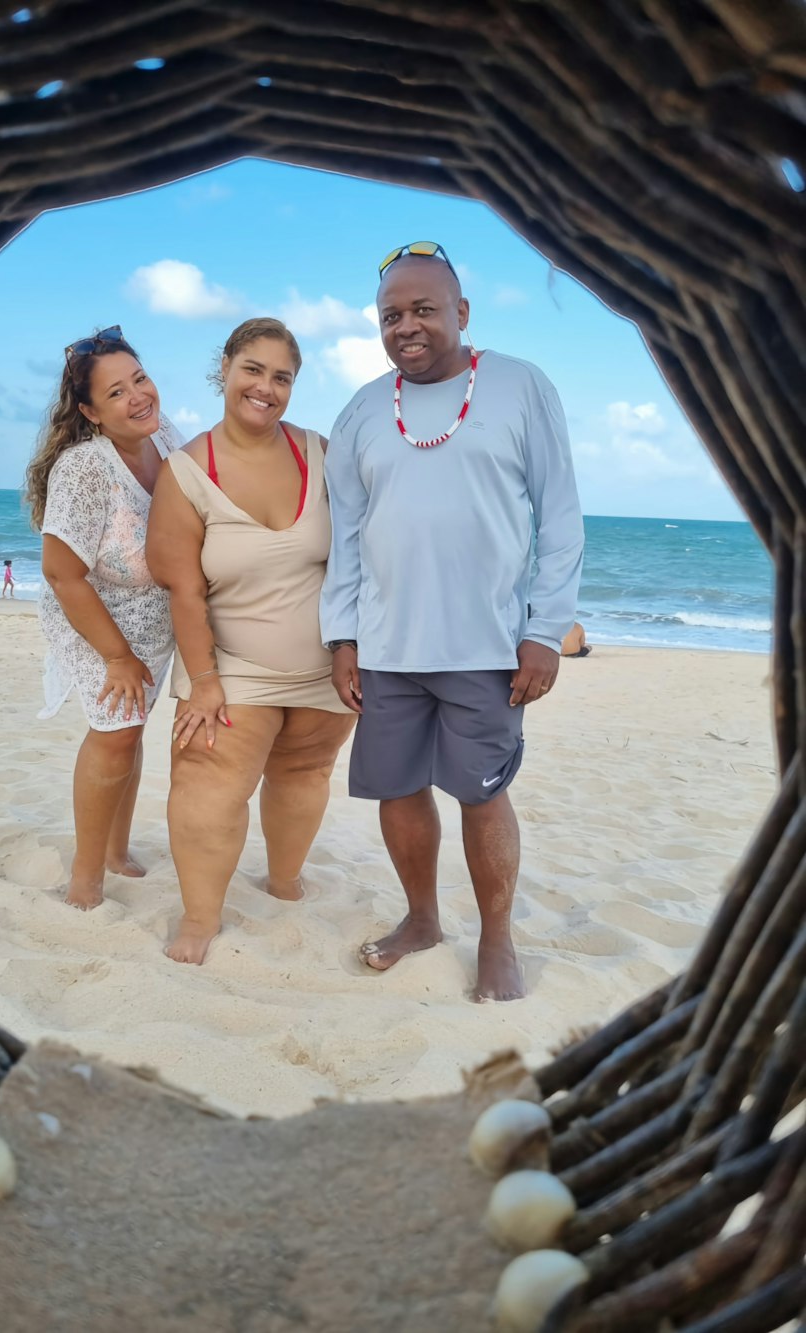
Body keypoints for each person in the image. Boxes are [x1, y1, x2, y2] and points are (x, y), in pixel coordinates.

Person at [320, 241, 584, 1002]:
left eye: (424, 310)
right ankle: (423, 919)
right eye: (391, 315)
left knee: (481, 792)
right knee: (399, 790)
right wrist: (343, 637)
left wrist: (545, 628)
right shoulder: (364, 408)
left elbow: (560, 515)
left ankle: (497, 940)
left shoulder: (521, 386)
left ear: (461, 312)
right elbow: (345, 535)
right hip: (386, 644)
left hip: (487, 644)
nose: (407, 326)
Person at [146, 318, 356, 966]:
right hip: (230, 669)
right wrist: (203, 680)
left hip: (325, 669)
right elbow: (184, 590)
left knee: (305, 772)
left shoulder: (321, 452)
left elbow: (357, 554)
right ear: (225, 370)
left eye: (281, 376)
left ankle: (285, 880)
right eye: (253, 369)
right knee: (207, 788)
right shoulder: (185, 473)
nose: (265, 387)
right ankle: (200, 919)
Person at [24, 325, 184, 910]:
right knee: (114, 734)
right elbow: (62, 574)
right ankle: (85, 877)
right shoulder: (85, 468)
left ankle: (117, 850)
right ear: (91, 411)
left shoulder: (165, 437)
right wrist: (117, 656)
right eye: (116, 393)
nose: (138, 397)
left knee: (132, 730)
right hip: (91, 616)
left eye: (139, 379)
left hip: (153, 619)